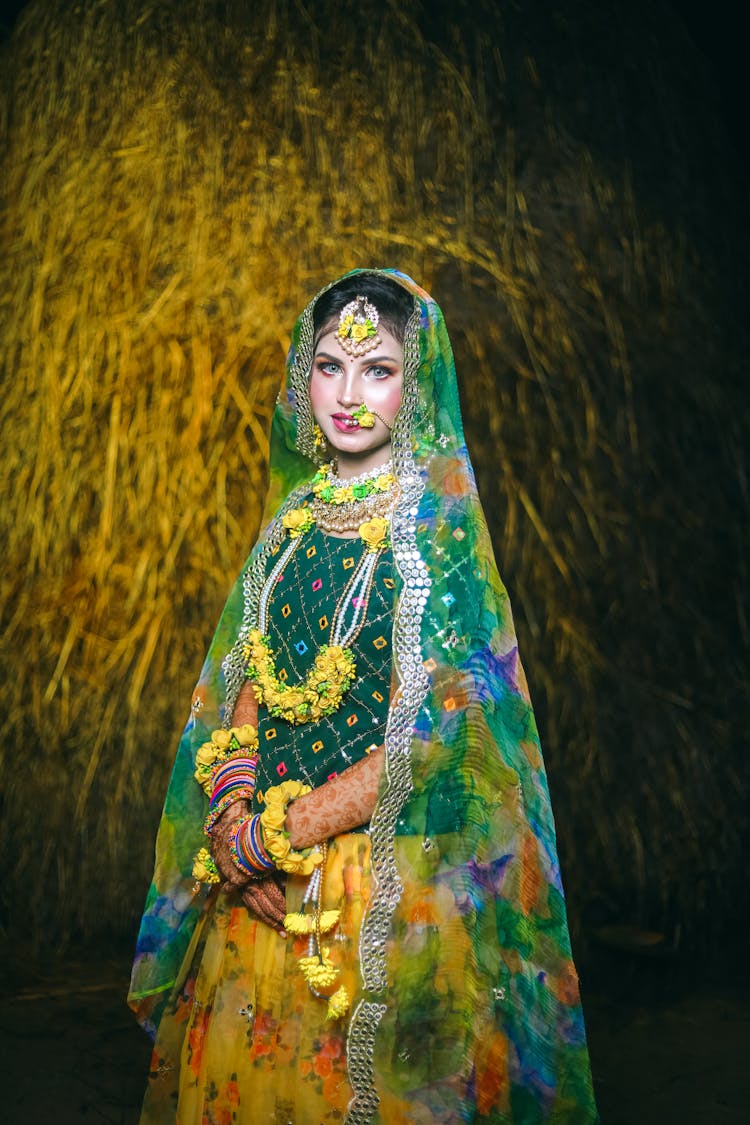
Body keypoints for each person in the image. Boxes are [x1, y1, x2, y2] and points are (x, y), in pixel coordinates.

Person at [129, 269, 599, 1123]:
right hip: (261, 898)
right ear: (299, 376)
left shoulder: (438, 533)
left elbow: (437, 738)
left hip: (380, 896)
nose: (348, 396)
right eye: (328, 367)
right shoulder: (294, 517)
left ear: (413, 384)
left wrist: (277, 836)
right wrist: (234, 825)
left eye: (377, 369)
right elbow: (249, 682)